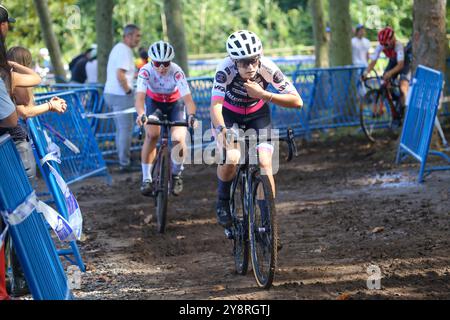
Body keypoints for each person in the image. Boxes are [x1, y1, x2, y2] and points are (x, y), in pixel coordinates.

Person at [210, 30, 303, 228]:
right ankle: (223, 202)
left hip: (258, 116)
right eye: (244, 62)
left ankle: (269, 223)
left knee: (265, 163)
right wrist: (221, 129)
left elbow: (297, 101)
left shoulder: (268, 68)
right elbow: (216, 106)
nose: (250, 67)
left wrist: (263, 94)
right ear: (234, 61)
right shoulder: (224, 69)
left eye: (254, 60)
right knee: (233, 157)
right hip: (229, 116)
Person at [135, 41, 198, 196]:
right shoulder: (145, 71)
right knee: (152, 135)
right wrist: (141, 114)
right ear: (151, 61)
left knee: (178, 138)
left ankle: (177, 173)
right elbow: (140, 98)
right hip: (154, 103)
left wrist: (191, 116)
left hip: (174, 104)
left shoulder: (177, 71)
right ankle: (146, 178)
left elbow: (188, 100)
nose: (161, 67)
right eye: (157, 63)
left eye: (165, 63)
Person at [104, 24, 141, 172]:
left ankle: (123, 160)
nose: (139, 39)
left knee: (121, 129)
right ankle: (124, 163)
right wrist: (128, 92)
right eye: (137, 36)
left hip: (112, 93)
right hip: (120, 95)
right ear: (128, 36)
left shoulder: (119, 48)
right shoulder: (125, 50)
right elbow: (120, 75)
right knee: (125, 129)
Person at [363, 27, 411, 123]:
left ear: (392, 39)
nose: (383, 46)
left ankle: (405, 110)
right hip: (393, 62)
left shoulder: (398, 46)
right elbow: (373, 62)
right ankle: (392, 109)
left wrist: (390, 73)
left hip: (404, 64)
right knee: (383, 84)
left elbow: (400, 65)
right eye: (382, 44)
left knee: (402, 86)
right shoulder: (381, 45)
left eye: (386, 44)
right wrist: (365, 72)